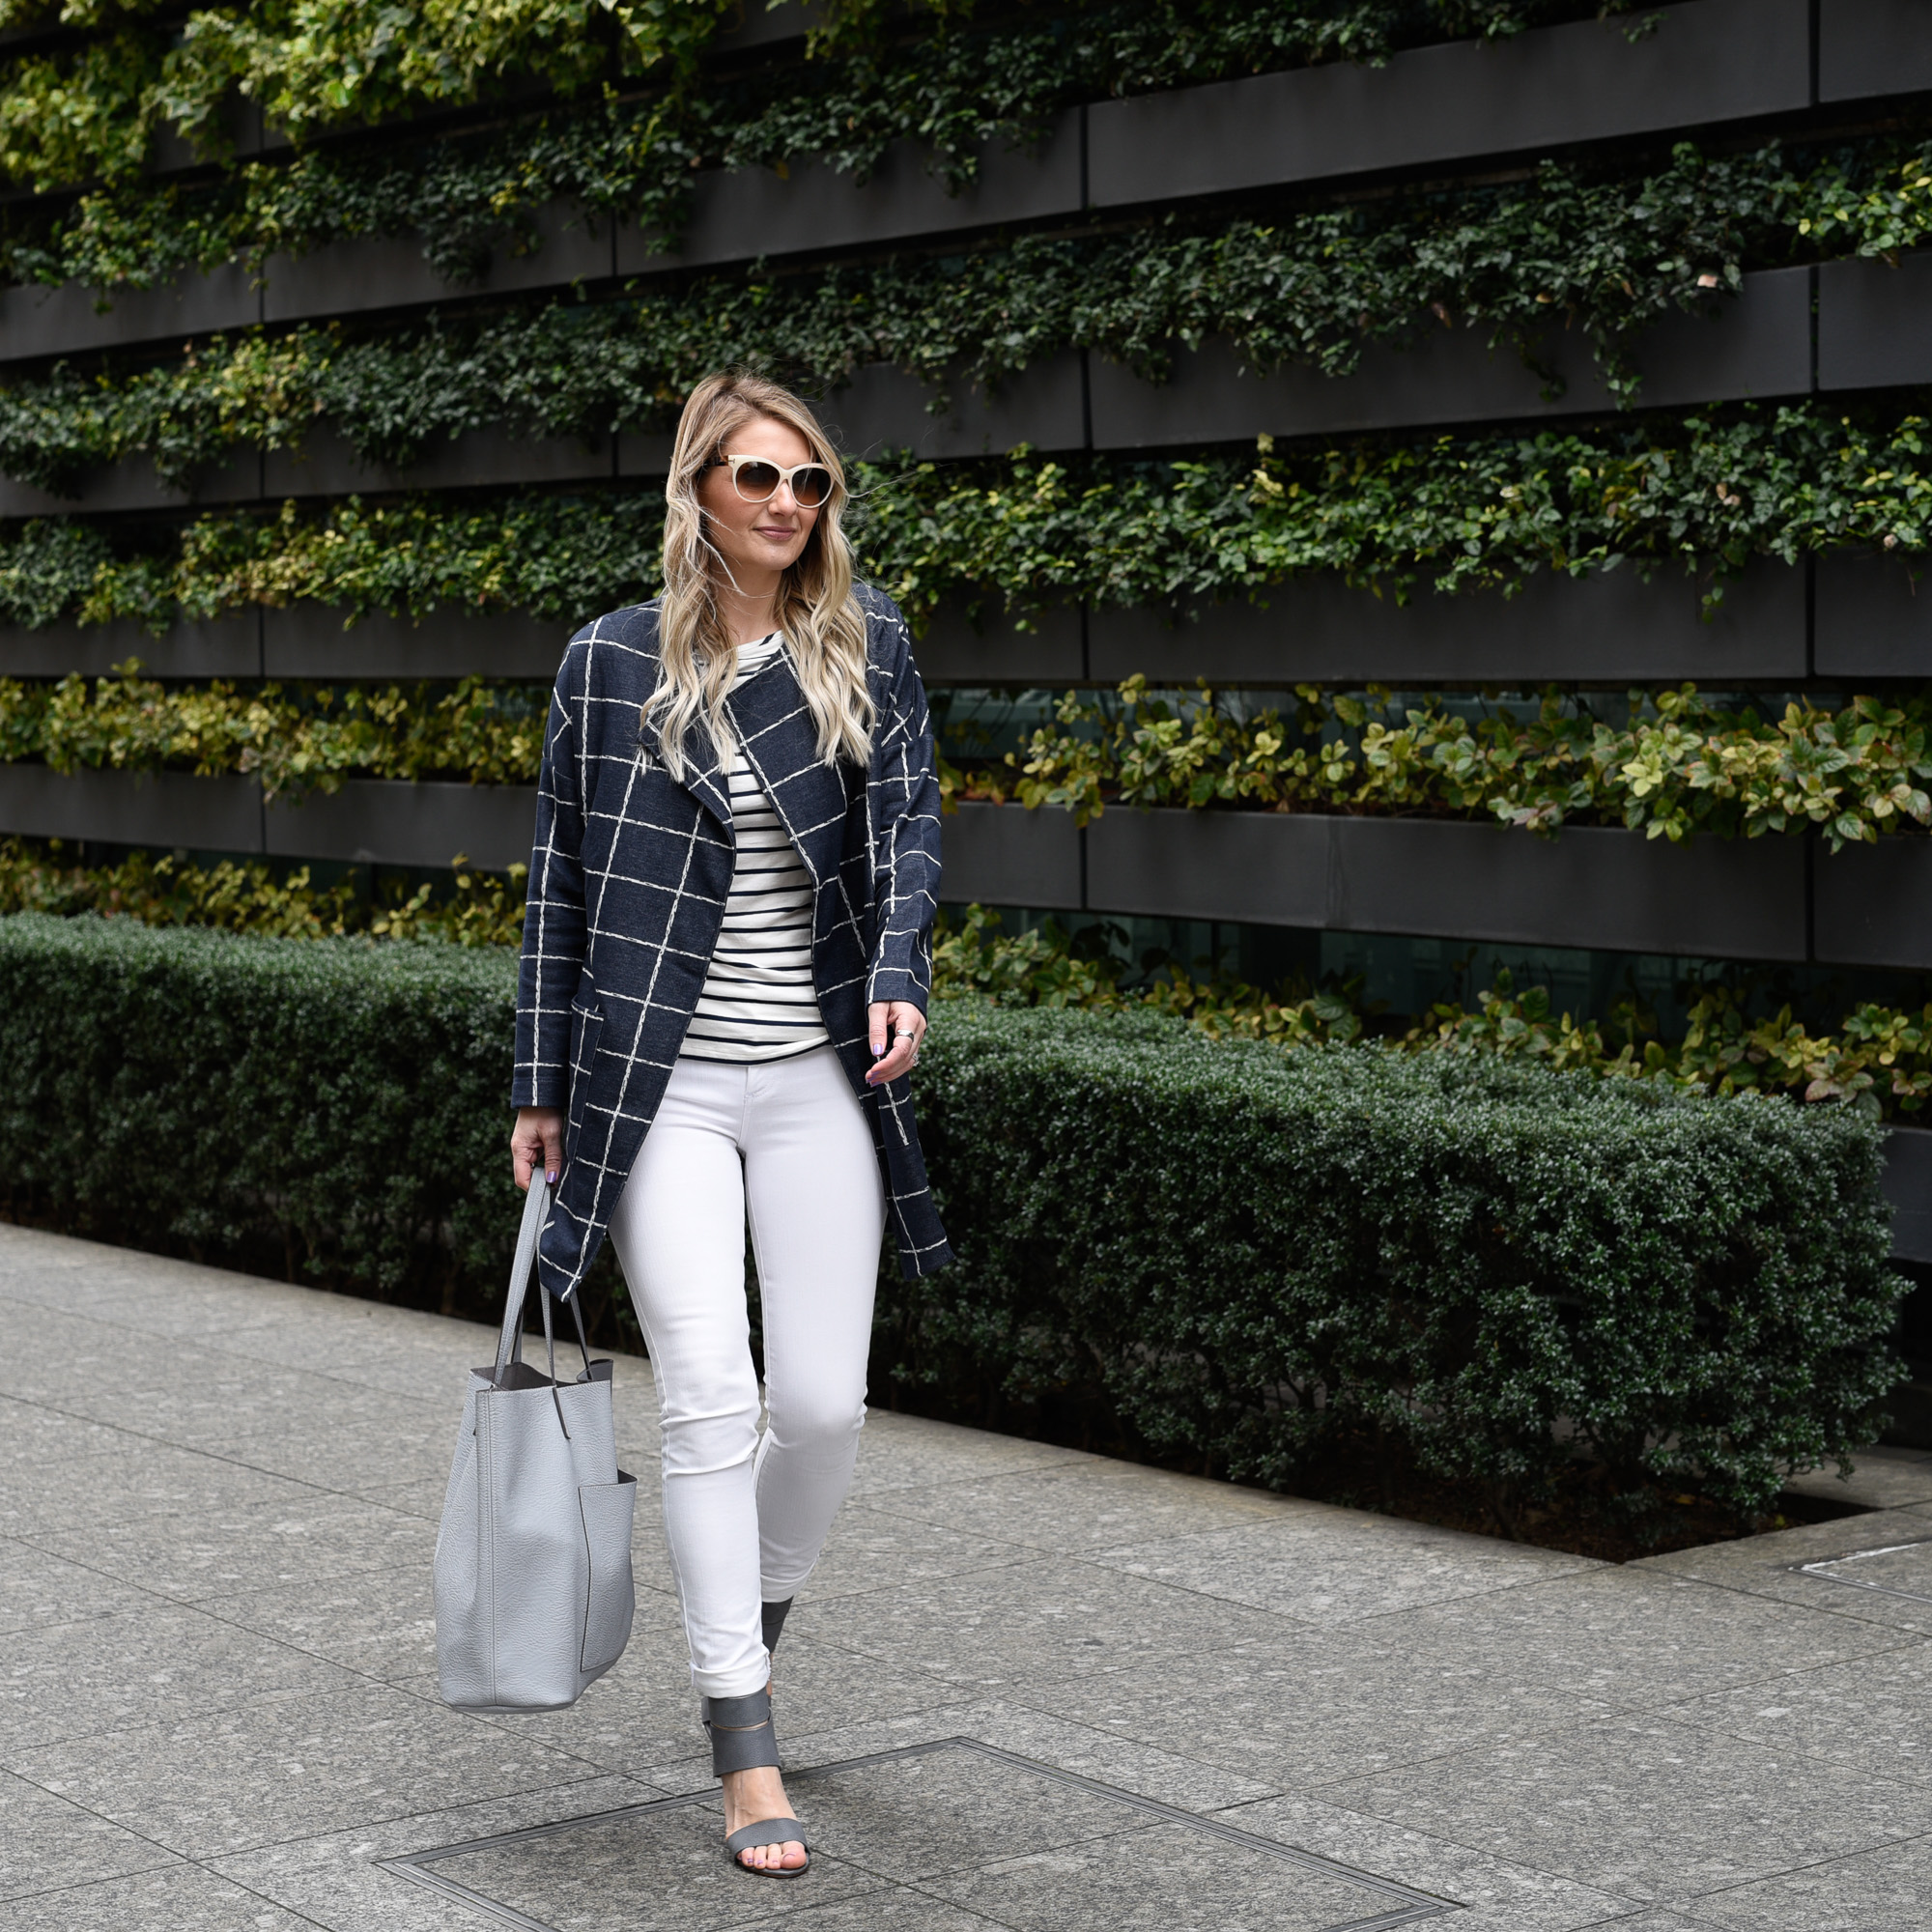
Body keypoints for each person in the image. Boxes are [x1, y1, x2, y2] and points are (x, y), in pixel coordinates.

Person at [507, 370, 952, 1878]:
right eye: (758, 478)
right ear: (698, 488)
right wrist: (537, 1083)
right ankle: (742, 1736)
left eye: (811, 484)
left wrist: (898, 975)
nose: (786, 505)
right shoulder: (610, 661)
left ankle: (737, 1619)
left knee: (821, 1406)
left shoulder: (862, 639)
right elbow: (558, 883)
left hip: (818, 1076)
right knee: (708, 1388)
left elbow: (912, 833)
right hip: (663, 1083)